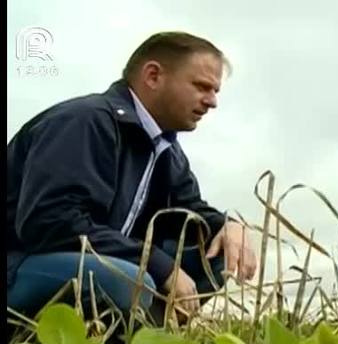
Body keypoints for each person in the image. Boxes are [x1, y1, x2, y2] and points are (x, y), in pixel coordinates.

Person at [7, 31, 257, 324]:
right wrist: (159, 266)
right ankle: (42, 334)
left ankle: (143, 338)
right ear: (153, 76)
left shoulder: (166, 150)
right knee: (130, 280)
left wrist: (228, 225)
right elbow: (48, 221)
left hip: (100, 263)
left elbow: (188, 211)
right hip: (20, 263)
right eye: (202, 86)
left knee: (215, 255)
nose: (212, 102)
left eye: (215, 91)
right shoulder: (83, 122)